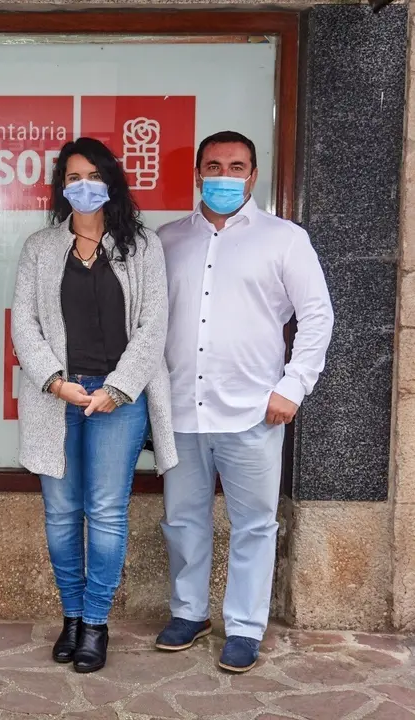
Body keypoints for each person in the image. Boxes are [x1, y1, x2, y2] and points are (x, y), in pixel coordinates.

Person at [155, 131, 333, 673]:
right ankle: (189, 612)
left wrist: (292, 386)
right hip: (183, 409)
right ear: (197, 174)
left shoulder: (285, 239)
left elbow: (317, 316)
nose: (224, 176)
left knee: (254, 523)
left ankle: (245, 626)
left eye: (236, 167)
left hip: (255, 410)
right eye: (213, 166)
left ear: (253, 175)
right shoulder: (167, 240)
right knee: (182, 519)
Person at [11, 137, 178, 674]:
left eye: (93, 175)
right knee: (61, 513)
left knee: (105, 512)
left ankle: (96, 622)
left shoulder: (143, 246)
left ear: (111, 181)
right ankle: (72, 615)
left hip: (118, 399)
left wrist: (119, 387)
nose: (83, 185)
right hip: (57, 396)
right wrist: (56, 382)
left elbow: (154, 327)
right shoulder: (40, 247)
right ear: (62, 186)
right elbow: (24, 326)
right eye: (72, 176)